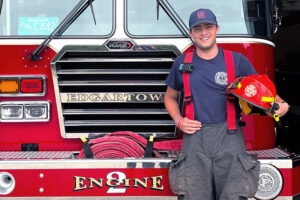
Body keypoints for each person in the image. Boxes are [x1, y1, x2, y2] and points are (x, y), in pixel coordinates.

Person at [164, 8, 289, 200]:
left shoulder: (237, 61)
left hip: (230, 139)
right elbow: (169, 97)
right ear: (191, 34)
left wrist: (281, 105)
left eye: (208, 27)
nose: (203, 32)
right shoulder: (181, 64)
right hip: (194, 141)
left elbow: (265, 93)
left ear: (217, 29)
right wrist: (179, 120)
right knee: (193, 195)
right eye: (197, 28)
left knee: (234, 195)